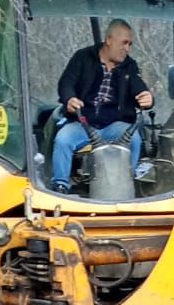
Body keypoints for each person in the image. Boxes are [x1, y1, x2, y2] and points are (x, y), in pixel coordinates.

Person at [51, 19, 153, 189]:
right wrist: (69, 99)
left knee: (134, 139)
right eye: (124, 43)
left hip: (114, 125)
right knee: (63, 140)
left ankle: (127, 184)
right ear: (109, 40)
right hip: (83, 123)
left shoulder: (130, 66)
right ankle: (60, 185)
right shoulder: (83, 57)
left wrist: (148, 98)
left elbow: (140, 88)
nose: (127, 48)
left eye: (130, 44)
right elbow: (66, 83)